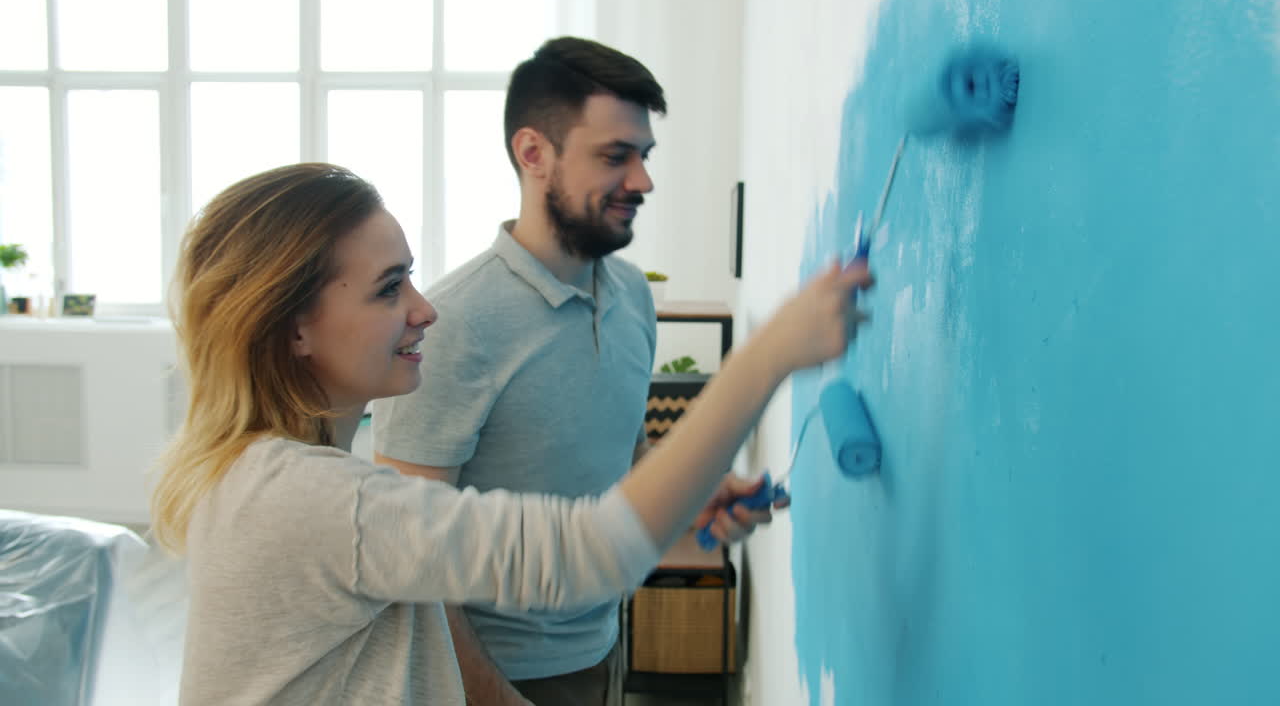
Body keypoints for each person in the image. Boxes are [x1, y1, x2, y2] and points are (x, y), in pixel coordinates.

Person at [150, 162, 873, 705]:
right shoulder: (310, 499)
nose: (424, 309)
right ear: (293, 327)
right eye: (387, 287)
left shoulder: (268, 475)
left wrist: (680, 510)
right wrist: (772, 353)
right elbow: (588, 553)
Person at [368, 36, 776, 705]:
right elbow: (410, 555)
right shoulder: (452, 324)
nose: (642, 180)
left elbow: (623, 453)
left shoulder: (633, 297)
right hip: (492, 676)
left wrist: (688, 495)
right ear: (534, 154)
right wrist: (491, 695)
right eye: (616, 156)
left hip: (600, 645)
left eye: (644, 156)